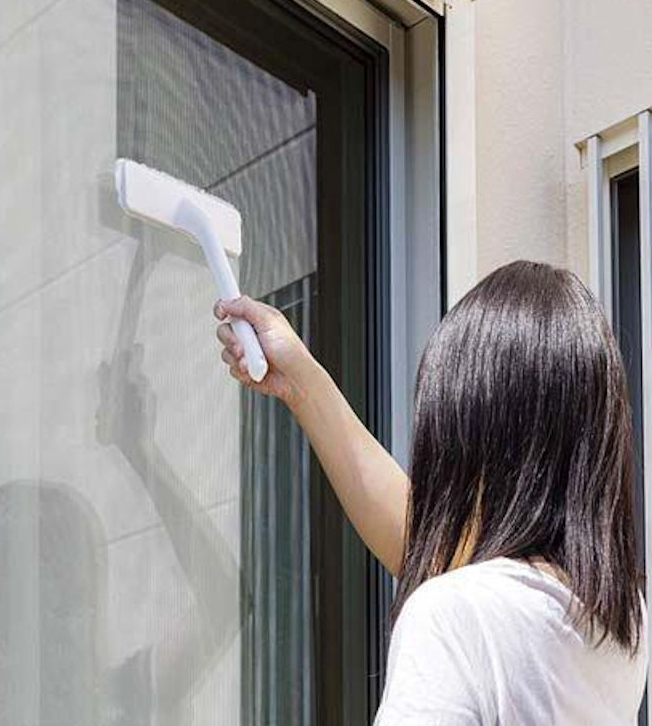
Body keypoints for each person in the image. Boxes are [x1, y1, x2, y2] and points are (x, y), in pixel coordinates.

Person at [213, 259, 648, 725]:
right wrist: (302, 384)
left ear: (466, 433)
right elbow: (430, 545)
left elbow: (455, 579)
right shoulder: (620, 620)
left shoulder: (455, 618)